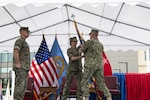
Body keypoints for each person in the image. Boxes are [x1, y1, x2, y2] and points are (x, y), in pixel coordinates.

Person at [79, 29, 112, 100]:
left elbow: (80, 51)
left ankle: (86, 98)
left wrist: (81, 46)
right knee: (101, 83)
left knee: (84, 82)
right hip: (99, 66)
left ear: (93, 34)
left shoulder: (89, 42)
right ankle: (108, 96)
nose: (90, 36)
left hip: (90, 65)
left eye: (90, 34)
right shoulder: (100, 44)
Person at [13, 27, 30, 100]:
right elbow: (16, 51)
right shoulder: (19, 41)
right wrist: (17, 63)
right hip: (21, 67)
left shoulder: (25, 42)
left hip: (25, 68)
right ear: (21, 32)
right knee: (20, 86)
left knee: (23, 88)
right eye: (26, 31)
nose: (28, 32)